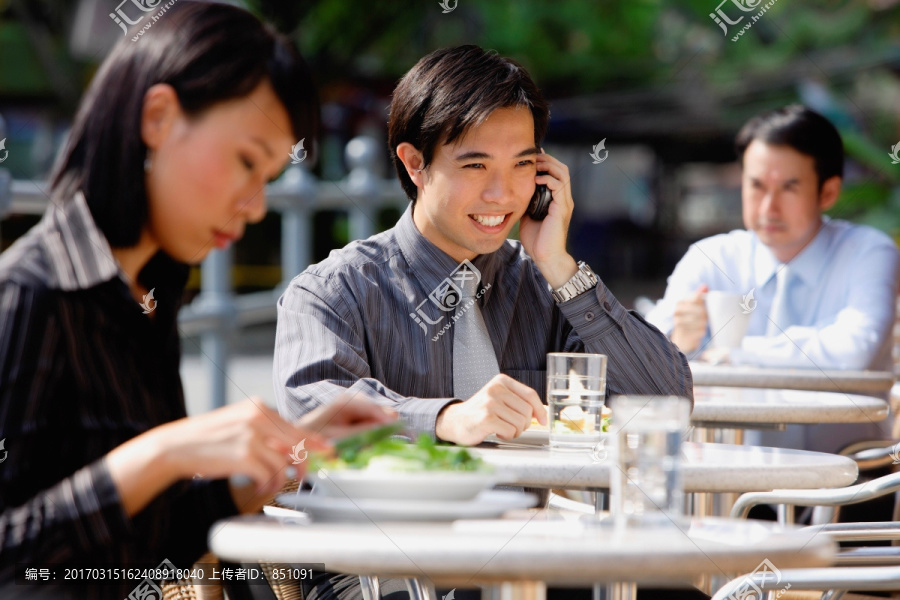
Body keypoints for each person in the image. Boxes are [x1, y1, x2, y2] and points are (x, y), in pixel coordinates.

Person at [0, 3, 393, 599]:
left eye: (267, 177)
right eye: (245, 162)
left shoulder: (147, 297)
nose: (256, 206)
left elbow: (143, 552)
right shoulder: (32, 293)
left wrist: (284, 455)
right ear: (158, 117)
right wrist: (163, 452)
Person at [273, 44, 694, 600]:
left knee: (672, 593)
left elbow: (666, 400)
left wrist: (561, 267)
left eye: (523, 165)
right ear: (414, 163)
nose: (503, 195)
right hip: (379, 568)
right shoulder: (333, 289)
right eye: (476, 166)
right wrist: (446, 419)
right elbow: (315, 410)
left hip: (523, 558)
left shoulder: (543, 284)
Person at [646, 105, 899, 451]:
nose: (768, 208)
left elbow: (853, 351)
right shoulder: (711, 257)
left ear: (828, 192)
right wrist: (678, 340)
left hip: (849, 483)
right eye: (756, 186)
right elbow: (641, 353)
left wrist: (732, 352)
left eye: (789, 188)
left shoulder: (868, 253)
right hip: (727, 482)